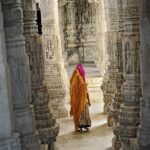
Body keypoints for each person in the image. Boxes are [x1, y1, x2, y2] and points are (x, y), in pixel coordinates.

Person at [70, 64, 91, 132]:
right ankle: (80, 126)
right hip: (79, 100)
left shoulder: (76, 78)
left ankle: (83, 126)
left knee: (82, 113)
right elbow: (82, 87)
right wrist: (85, 85)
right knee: (81, 113)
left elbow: (85, 90)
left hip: (82, 100)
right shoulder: (77, 78)